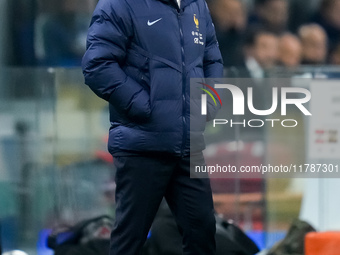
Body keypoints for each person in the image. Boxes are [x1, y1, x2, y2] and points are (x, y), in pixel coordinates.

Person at [82, 0, 223, 254]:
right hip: (142, 144)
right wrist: (146, 108)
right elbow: (97, 65)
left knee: (202, 231)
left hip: (188, 144)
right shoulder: (120, 3)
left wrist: (207, 106)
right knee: (130, 239)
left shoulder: (196, 4)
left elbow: (212, 57)